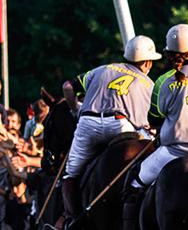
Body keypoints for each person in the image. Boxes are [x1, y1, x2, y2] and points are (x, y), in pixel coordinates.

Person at [122, 24, 188, 230]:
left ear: (169, 54)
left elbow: (154, 120)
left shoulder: (163, 81)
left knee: (134, 184)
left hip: (173, 153)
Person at [59, 35, 162, 225]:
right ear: (148, 62)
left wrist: (75, 109)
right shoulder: (149, 85)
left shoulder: (102, 69)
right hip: (120, 125)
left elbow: (67, 87)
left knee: (70, 173)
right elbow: (151, 122)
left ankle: (72, 219)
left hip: (87, 123)